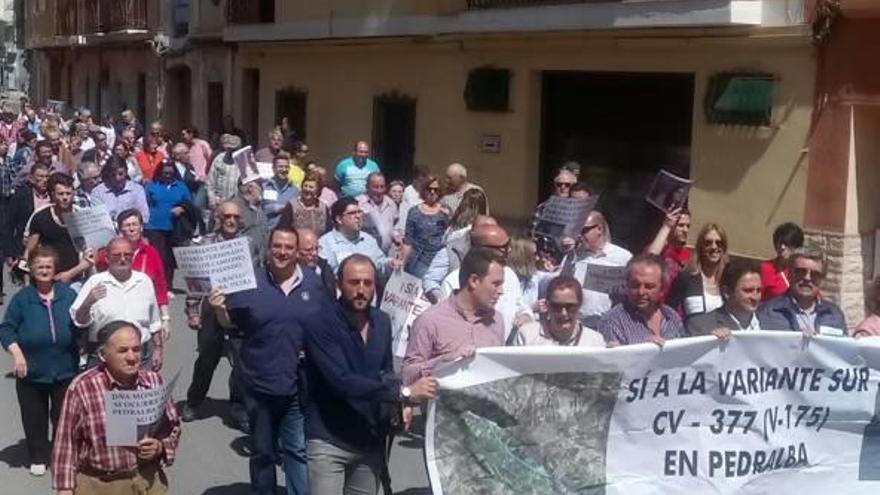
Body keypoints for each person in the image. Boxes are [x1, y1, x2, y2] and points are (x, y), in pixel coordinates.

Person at [305, 254, 438, 494]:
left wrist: (402, 404)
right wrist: (403, 391)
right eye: (354, 282)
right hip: (328, 440)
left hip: (369, 439)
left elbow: (385, 371)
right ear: (338, 284)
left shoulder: (383, 321)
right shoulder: (320, 323)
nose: (361, 290)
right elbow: (341, 381)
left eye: (367, 283)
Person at [211, 228, 328, 495]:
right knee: (263, 451)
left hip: (298, 383)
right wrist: (219, 309)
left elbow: (325, 328)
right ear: (268, 248)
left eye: (288, 247)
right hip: (258, 382)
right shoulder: (249, 282)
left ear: (298, 252)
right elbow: (232, 325)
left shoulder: (314, 283)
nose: (282, 252)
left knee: (296, 450)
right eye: (277, 246)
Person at [51, 320, 181, 495]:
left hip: (147, 480)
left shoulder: (154, 382)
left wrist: (160, 447)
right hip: (101, 484)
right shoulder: (83, 387)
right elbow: (66, 442)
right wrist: (64, 488)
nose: (131, 357)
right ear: (103, 355)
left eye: (136, 349)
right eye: (122, 350)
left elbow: (173, 427)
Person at [1, 247, 79, 476]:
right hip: (31, 369)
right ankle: (37, 455)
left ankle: (60, 453)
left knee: (63, 416)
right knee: (34, 415)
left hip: (65, 367)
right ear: (32, 270)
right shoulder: (22, 299)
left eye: (48, 267)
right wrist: (17, 354)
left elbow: (82, 321)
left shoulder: (68, 295)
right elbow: (6, 329)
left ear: (55, 270)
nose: (44, 271)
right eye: (39, 267)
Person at [180, 202, 257, 430]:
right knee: (206, 359)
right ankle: (194, 401)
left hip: (241, 308)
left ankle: (239, 407)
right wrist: (193, 311)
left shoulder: (249, 245)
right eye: (227, 217)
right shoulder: (204, 244)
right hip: (212, 308)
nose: (232, 221)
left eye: (236, 217)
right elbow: (195, 281)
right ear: (218, 219)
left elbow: (257, 274)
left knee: (241, 360)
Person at [403, 248, 506, 384]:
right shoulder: (430, 321)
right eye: (496, 284)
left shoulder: (497, 321)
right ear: (474, 281)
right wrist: (444, 361)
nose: (501, 291)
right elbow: (407, 376)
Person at [70, 238, 164, 370]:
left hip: (140, 357)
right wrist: (88, 302)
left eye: (127, 255)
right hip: (104, 359)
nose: (122, 259)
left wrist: (158, 349)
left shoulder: (144, 281)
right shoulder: (95, 282)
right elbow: (79, 321)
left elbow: (154, 322)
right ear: (107, 258)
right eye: (116, 255)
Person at [438, 224, 532, 341]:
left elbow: (519, 305)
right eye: (504, 246)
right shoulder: (452, 281)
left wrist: (526, 315)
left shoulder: (510, 275)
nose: (509, 250)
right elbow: (442, 324)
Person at [95, 209, 172, 336]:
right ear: (120, 230)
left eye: (135, 224)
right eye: (127, 225)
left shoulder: (151, 253)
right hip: (117, 317)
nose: (132, 229)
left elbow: (160, 286)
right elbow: (97, 280)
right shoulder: (107, 254)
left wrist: (165, 318)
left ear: (141, 227)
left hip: (145, 317)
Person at [599, 254, 686, 347]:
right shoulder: (613, 321)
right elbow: (611, 360)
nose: (641, 292)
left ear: (662, 289)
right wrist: (642, 350)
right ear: (627, 285)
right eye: (635, 285)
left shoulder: (671, 316)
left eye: (649, 287)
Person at [758, 248, 848, 337]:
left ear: (822, 280)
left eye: (815, 274)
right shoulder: (767, 312)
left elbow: (843, 349)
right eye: (800, 272)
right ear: (789, 274)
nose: (807, 278)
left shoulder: (834, 315)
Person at [25, 173, 95, 285]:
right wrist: (27, 283)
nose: (65, 197)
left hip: (75, 278)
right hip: (46, 278)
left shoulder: (82, 217)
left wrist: (69, 274)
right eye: (61, 194)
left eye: (68, 193)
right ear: (53, 195)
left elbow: (91, 254)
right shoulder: (41, 216)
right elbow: (29, 251)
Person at [564, 210, 633, 325]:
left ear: (599, 229)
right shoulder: (574, 257)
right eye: (577, 231)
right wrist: (570, 257)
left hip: (611, 322)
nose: (580, 235)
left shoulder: (623, 256)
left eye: (584, 230)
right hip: (579, 322)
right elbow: (563, 285)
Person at [514, 275, 605, 347]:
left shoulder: (595, 341)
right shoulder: (527, 335)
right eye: (556, 306)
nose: (563, 313)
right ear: (547, 306)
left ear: (579, 306)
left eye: (570, 307)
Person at [686, 258, 767, 337]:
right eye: (748, 290)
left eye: (758, 290)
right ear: (727, 292)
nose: (755, 297)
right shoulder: (702, 327)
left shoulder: (774, 326)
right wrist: (711, 343)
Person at [319, 197, 395, 277]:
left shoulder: (368, 240)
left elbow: (380, 263)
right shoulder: (325, 244)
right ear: (339, 219)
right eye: (352, 213)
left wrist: (390, 264)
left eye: (359, 212)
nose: (358, 216)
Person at [666, 222, 728, 322]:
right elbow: (668, 312)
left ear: (724, 247)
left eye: (719, 243)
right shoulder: (686, 278)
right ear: (700, 247)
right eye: (708, 243)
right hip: (693, 334)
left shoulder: (729, 280)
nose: (714, 247)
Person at [145, 161, 193, 287]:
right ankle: (155, 284)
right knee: (158, 257)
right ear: (160, 173)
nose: (167, 176)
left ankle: (167, 286)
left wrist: (182, 209)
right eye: (165, 173)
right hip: (154, 226)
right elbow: (145, 204)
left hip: (174, 227)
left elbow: (190, 205)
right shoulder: (152, 186)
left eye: (170, 173)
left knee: (170, 259)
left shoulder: (181, 186)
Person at [5, 162, 51, 266]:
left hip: (47, 249)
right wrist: (9, 252)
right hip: (23, 247)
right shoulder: (21, 196)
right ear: (31, 178)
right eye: (41, 176)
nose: (45, 180)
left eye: (47, 176)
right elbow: (9, 225)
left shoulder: (53, 197)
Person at [404, 176, 449, 278]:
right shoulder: (414, 212)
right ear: (424, 191)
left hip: (437, 261)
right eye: (429, 189)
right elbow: (408, 241)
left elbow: (448, 238)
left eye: (436, 190)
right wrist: (402, 264)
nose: (432, 192)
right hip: (417, 260)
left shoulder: (445, 213)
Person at [646, 207, 693, 291]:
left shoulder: (689, 254)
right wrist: (667, 226)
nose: (685, 230)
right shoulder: (658, 248)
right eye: (680, 225)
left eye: (688, 226)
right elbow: (649, 260)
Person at [90, 156, 149, 221]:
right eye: (113, 175)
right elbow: (98, 219)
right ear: (108, 174)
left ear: (126, 172)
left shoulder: (137, 190)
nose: (117, 178)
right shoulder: (98, 192)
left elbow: (144, 216)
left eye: (121, 174)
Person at [761, 222, 804, 301]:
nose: (782, 247)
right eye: (780, 243)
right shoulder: (766, 269)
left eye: (787, 243)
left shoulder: (802, 270)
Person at [357, 172, 397, 253]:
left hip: (387, 255)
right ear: (367, 187)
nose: (379, 191)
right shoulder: (358, 203)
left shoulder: (391, 203)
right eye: (375, 187)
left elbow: (396, 225)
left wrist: (396, 235)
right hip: (365, 254)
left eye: (382, 187)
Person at [232, 175, 270, 260]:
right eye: (260, 185)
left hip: (259, 265)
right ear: (250, 188)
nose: (262, 189)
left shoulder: (259, 209)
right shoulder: (232, 209)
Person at [207, 134, 245, 209]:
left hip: (238, 204)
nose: (231, 151)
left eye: (234, 149)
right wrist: (212, 199)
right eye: (229, 149)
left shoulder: (245, 161)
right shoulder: (219, 159)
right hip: (220, 202)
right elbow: (210, 183)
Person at [262, 155, 300, 229]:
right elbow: (258, 209)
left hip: (286, 233)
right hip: (266, 231)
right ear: (273, 168)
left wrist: (285, 208)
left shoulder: (295, 190)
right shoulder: (264, 187)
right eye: (280, 166)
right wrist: (273, 208)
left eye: (286, 167)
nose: (284, 169)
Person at [297, 228, 336, 294]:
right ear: (296, 251)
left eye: (317, 248)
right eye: (308, 250)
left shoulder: (325, 270)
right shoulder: (288, 274)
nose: (314, 253)